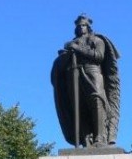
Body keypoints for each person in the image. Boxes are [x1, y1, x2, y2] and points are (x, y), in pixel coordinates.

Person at [51, 14, 120, 147]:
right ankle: (85, 138)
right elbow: (62, 63)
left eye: (83, 25)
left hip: (92, 72)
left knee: (97, 102)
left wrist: (77, 49)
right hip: (73, 73)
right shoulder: (71, 43)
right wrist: (65, 55)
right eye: (78, 26)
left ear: (88, 27)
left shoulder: (97, 40)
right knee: (78, 106)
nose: (80, 28)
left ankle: (100, 137)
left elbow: (99, 56)